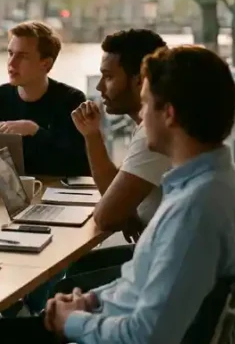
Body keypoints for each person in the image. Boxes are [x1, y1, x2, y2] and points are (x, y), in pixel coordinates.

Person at [0, 45, 235, 343]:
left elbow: (146, 335)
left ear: (169, 115)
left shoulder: (195, 211)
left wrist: (72, 322)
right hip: (106, 317)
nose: (141, 116)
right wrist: (90, 301)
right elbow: (140, 281)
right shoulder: (219, 183)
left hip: (110, 333)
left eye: (146, 105)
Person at [60, 29, 170, 286]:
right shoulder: (148, 127)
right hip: (165, 256)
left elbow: (107, 216)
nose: (99, 87)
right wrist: (92, 135)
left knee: (67, 287)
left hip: (166, 269)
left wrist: (121, 209)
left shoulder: (153, 135)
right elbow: (115, 198)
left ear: (140, 80)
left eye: (108, 77)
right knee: (80, 269)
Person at [0, 21, 89, 176]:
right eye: (10, 53)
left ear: (45, 64)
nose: (11, 63)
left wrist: (35, 131)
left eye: (22, 56)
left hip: (52, 193)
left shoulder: (71, 100)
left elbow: (79, 166)